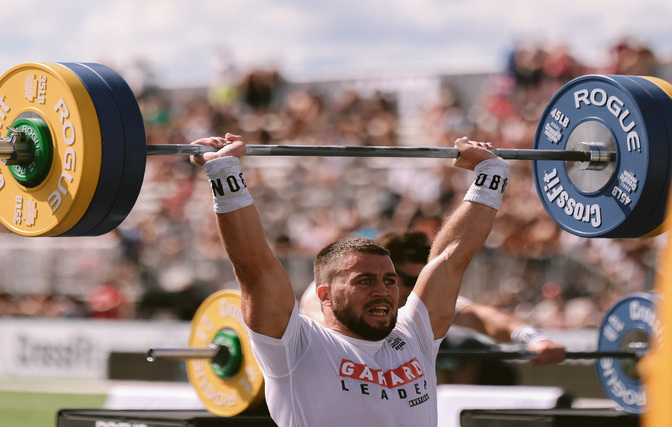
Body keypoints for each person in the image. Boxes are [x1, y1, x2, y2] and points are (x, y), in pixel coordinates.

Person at [191, 134, 514, 426]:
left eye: (390, 280)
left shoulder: (414, 333)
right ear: (325, 295)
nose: (383, 291)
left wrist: (491, 174)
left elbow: (450, 259)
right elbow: (255, 267)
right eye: (364, 281)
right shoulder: (296, 345)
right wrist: (224, 171)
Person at [300, 230, 566, 371]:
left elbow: (478, 316)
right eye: (400, 279)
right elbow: (322, 329)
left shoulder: (418, 298)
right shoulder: (329, 292)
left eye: (420, 281)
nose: (385, 290)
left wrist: (533, 339)